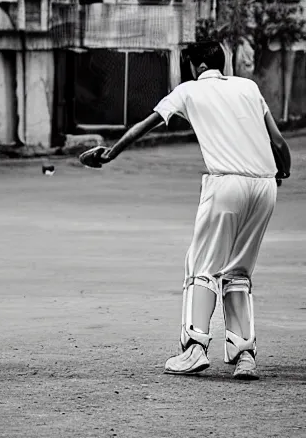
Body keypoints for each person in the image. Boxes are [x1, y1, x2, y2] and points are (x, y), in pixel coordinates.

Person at [95, 41, 291, 380]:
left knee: (201, 267)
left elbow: (146, 125)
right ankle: (245, 357)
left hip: (225, 185)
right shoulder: (248, 87)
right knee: (239, 272)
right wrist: (282, 171)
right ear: (223, 62)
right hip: (265, 186)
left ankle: (195, 349)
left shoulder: (188, 91)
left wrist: (110, 153)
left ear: (196, 66)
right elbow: (278, 142)